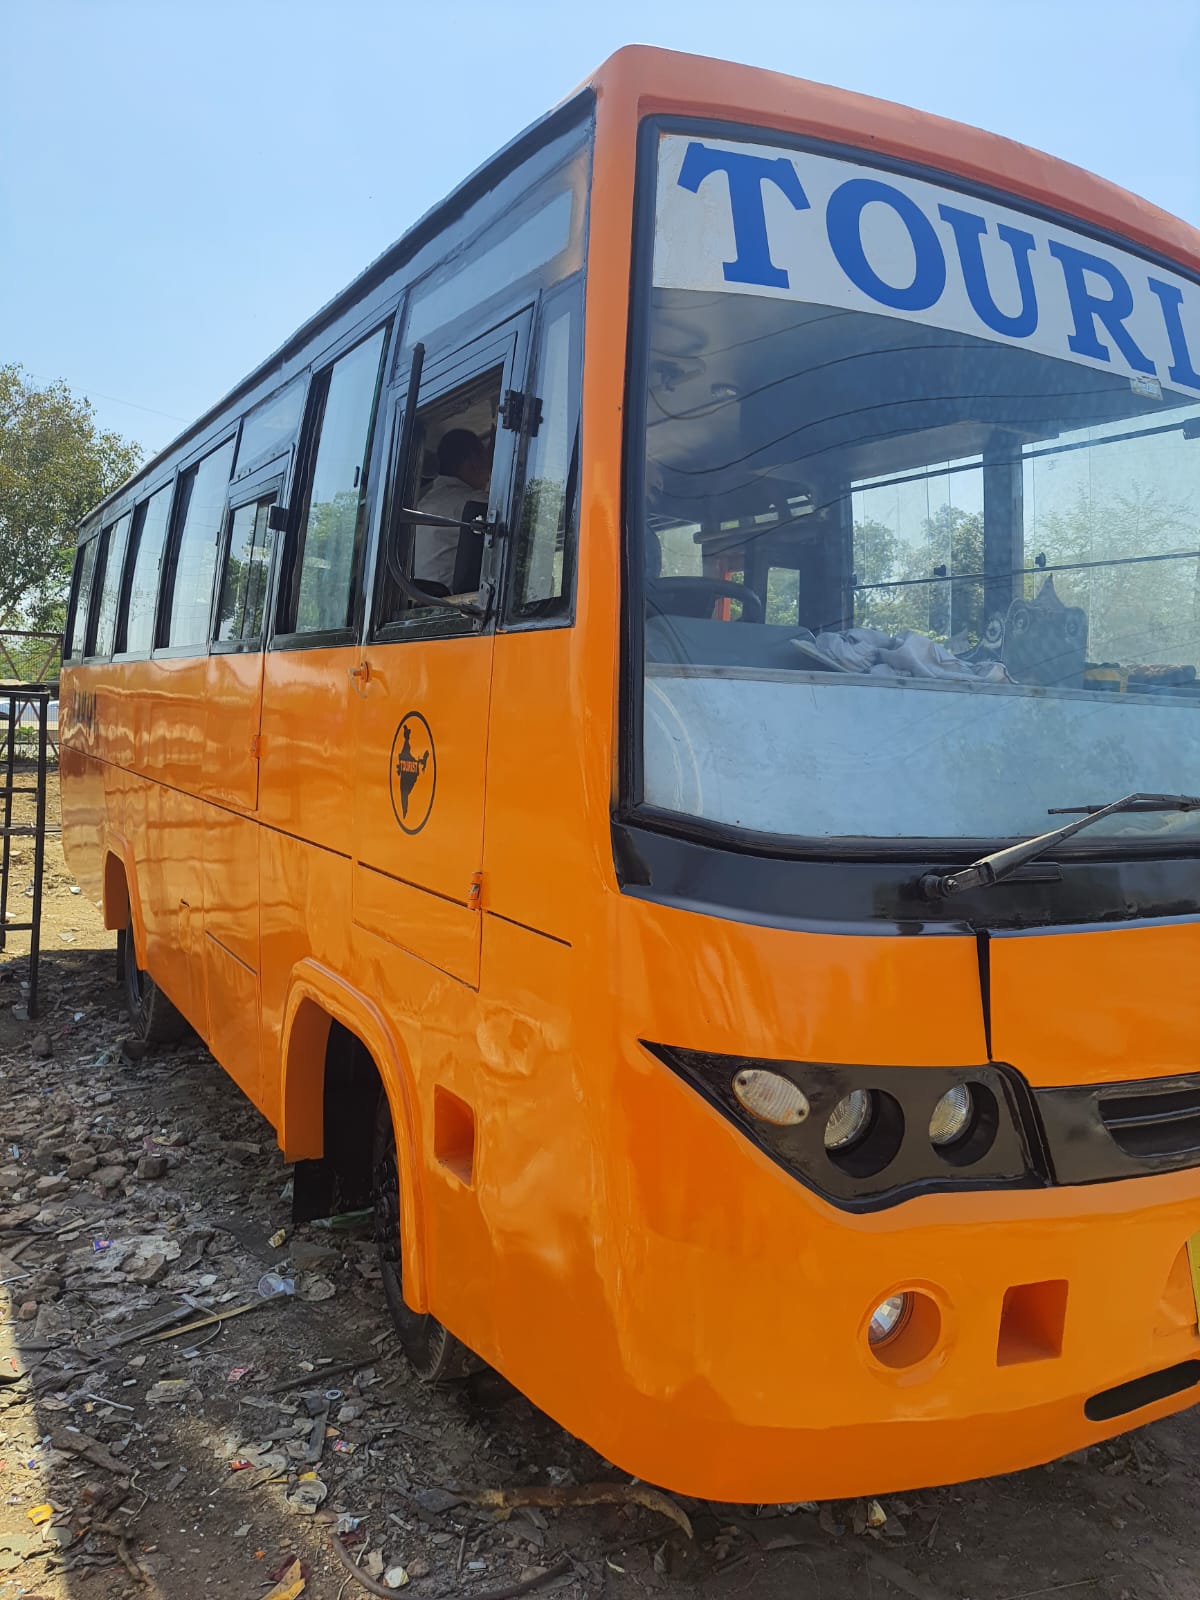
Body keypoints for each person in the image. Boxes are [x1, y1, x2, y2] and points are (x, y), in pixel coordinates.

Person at [414, 429, 492, 591]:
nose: (490, 471)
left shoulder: (423, 504)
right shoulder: (473, 502)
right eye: (487, 460)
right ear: (474, 462)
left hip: (424, 602)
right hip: (458, 605)